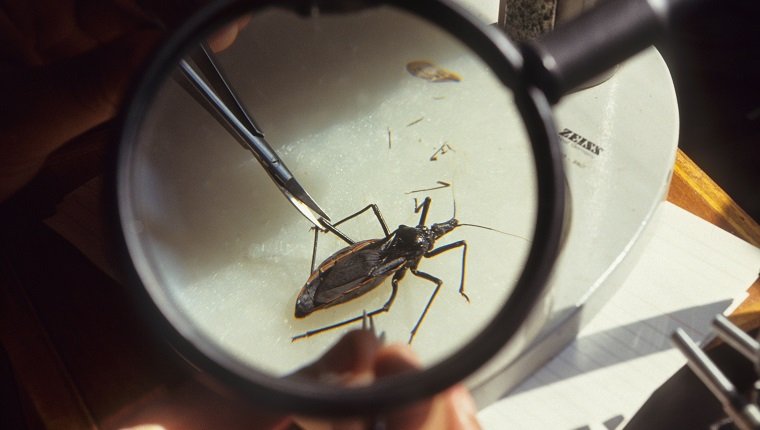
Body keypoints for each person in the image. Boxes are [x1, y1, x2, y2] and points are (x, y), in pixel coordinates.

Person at [0, 2, 481, 428]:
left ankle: (318, 294)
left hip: (373, 257)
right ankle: (319, 294)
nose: (438, 230)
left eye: (438, 230)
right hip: (374, 257)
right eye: (438, 229)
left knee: (381, 300)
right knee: (383, 301)